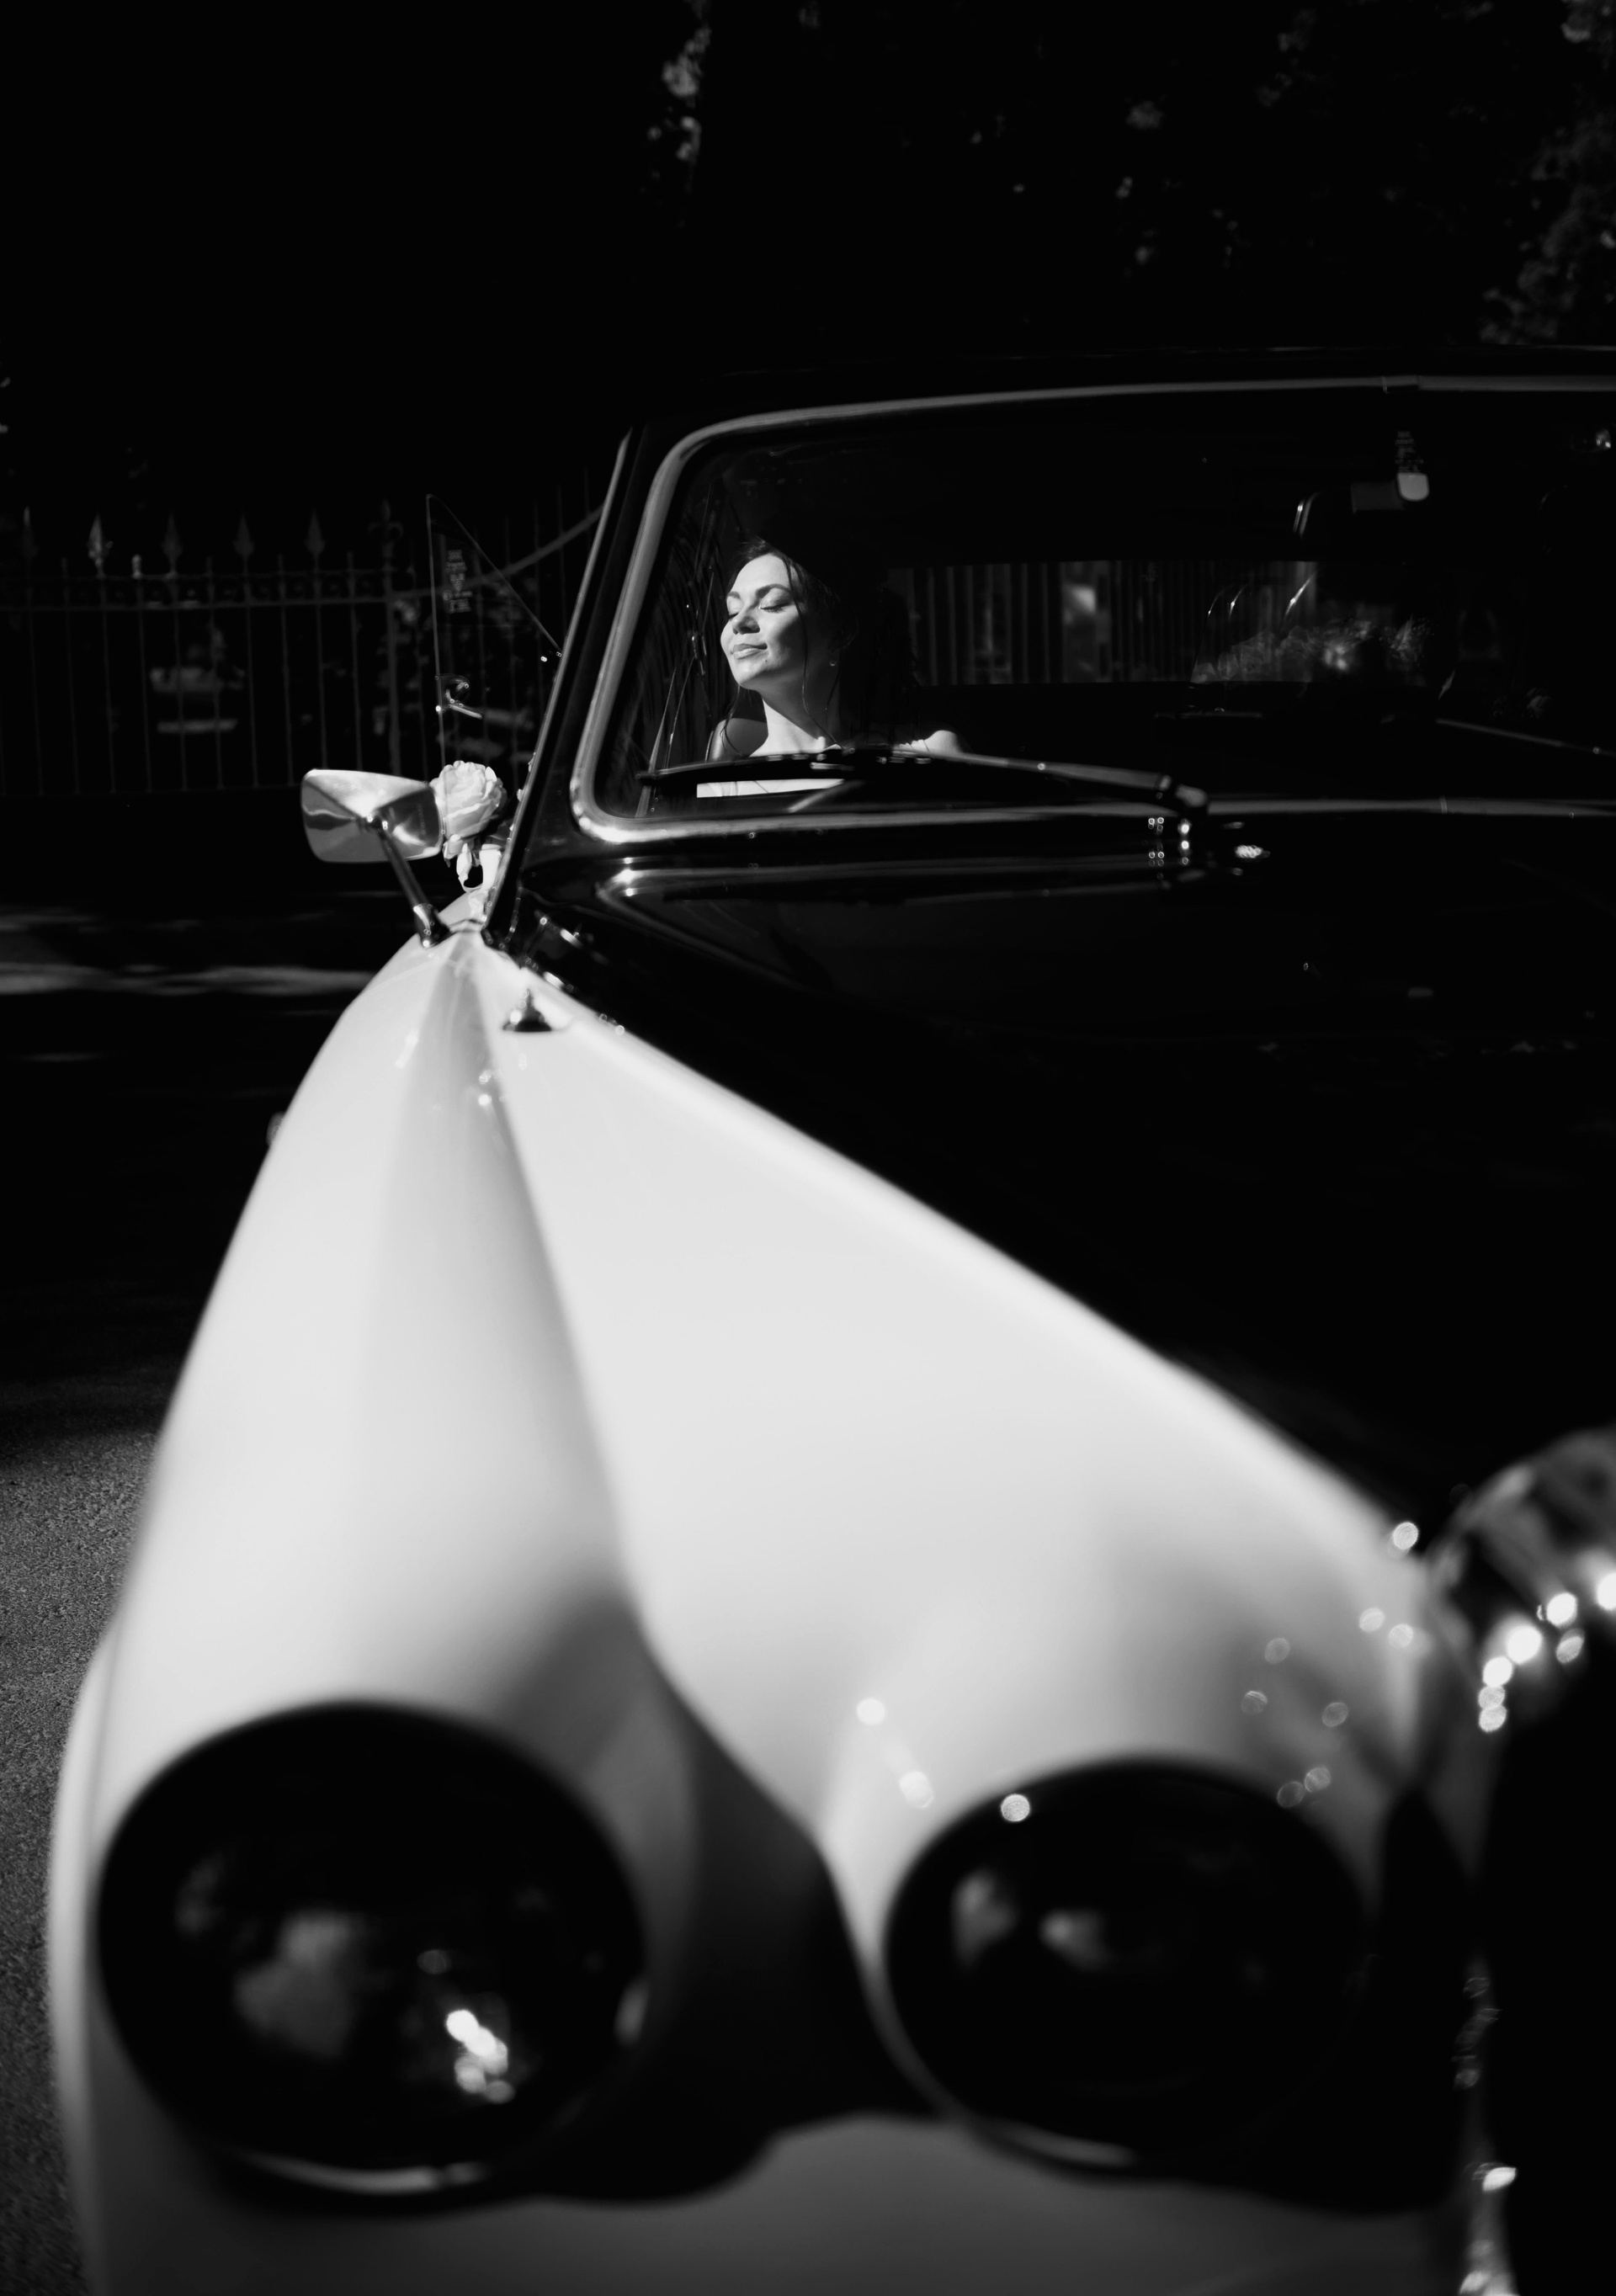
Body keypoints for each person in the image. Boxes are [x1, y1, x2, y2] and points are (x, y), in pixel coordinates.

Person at [702, 539, 962, 799]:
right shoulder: (719, 790)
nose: (739, 622)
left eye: (772, 604)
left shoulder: (930, 755)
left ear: (839, 635)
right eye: (732, 611)